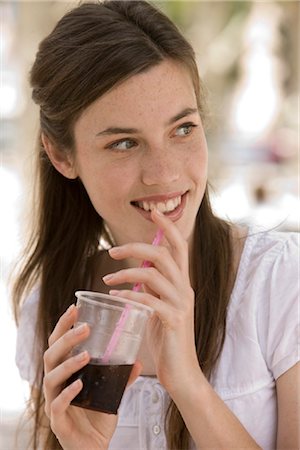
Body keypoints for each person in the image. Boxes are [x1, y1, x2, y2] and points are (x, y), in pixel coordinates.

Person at [12, 1, 299, 449]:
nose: (164, 174)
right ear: (62, 155)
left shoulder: (280, 283)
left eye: (182, 129)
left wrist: (188, 383)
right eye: (124, 142)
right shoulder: (51, 313)